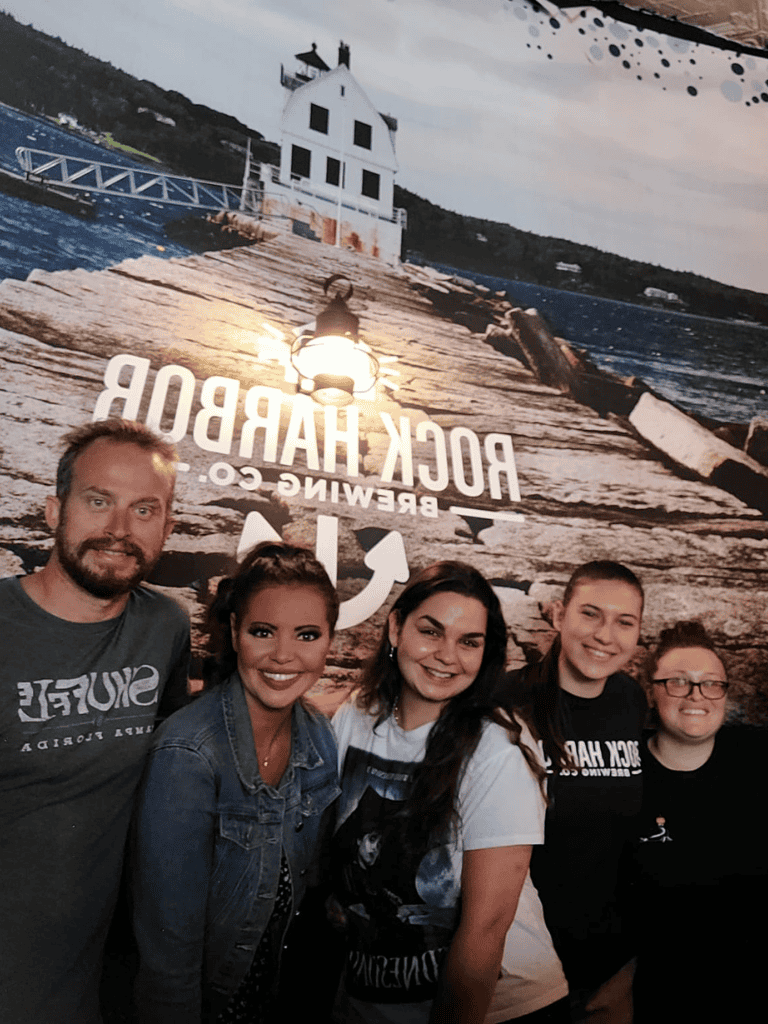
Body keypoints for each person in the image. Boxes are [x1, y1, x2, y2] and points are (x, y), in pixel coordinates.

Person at [0, 418, 190, 1024]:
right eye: (99, 501)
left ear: (167, 527)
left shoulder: (165, 626)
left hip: (90, 984)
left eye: (144, 509)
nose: (119, 529)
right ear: (55, 511)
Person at [331, 561, 568, 1024]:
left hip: (502, 1007)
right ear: (396, 628)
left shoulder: (498, 749)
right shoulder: (356, 715)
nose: (447, 656)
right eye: (430, 631)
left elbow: (486, 930)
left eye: (469, 642)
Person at [131, 540, 341, 1024]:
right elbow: (168, 963)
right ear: (234, 630)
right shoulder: (187, 755)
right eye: (263, 631)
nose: (283, 655)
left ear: (330, 640)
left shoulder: (319, 737)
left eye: (307, 635)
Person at [495, 560, 646, 1022]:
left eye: (625, 622)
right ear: (559, 615)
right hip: (523, 977)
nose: (605, 635)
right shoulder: (506, 701)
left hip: (609, 969)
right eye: (590, 614)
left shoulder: (630, 699)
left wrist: (628, 966)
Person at [628, 620, 768, 1023]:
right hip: (654, 996)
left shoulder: (757, 757)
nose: (696, 695)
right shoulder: (622, 774)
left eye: (710, 683)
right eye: (678, 682)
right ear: (651, 691)